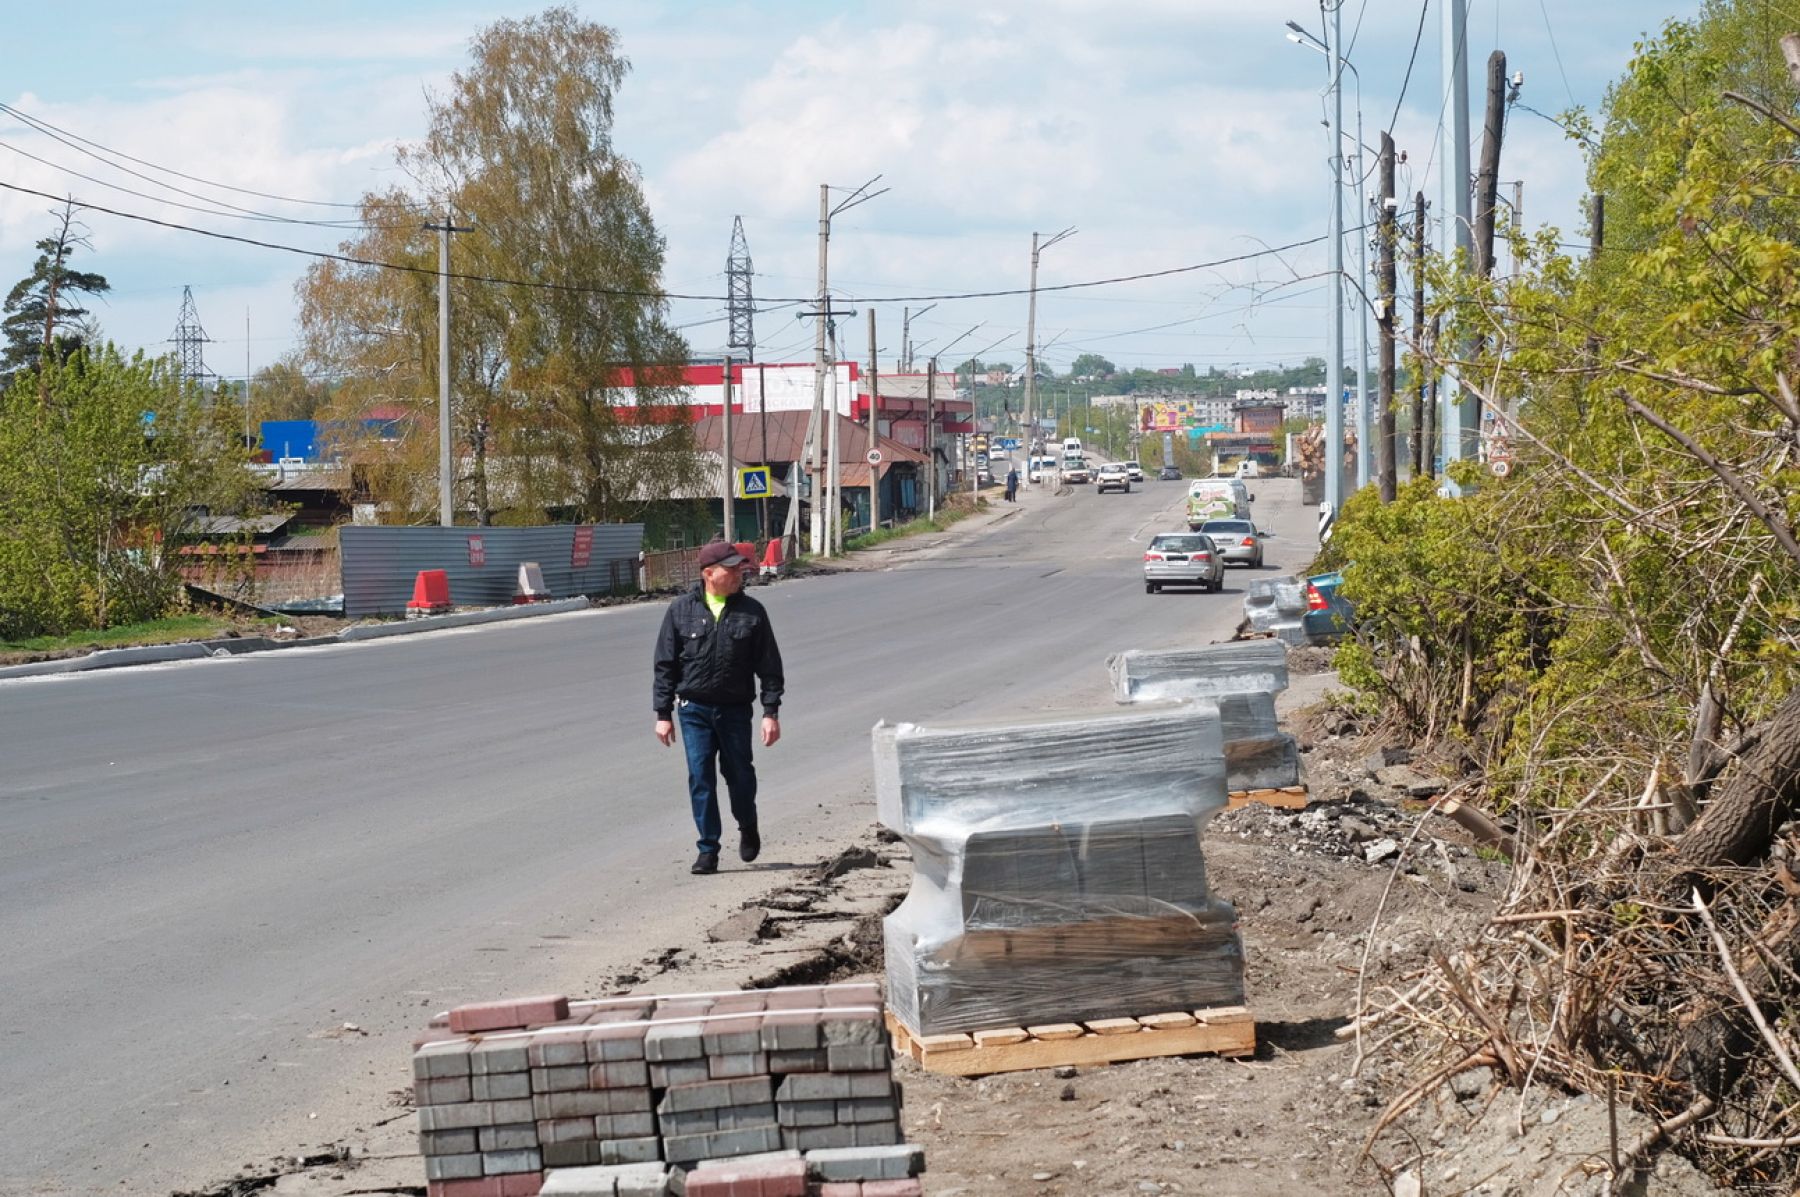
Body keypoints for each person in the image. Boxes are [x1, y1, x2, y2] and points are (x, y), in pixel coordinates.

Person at [653, 540, 785, 875]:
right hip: (693, 710)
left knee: (739, 775)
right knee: (701, 778)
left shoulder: (752, 612)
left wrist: (771, 712)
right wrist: (663, 714)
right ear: (709, 573)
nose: (740, 572)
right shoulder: (681, 610)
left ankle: (747, 824)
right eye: (732, 568)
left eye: (741, 567)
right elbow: (665, 665)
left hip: (735, 712)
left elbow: (769, 666)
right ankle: (708, 849)